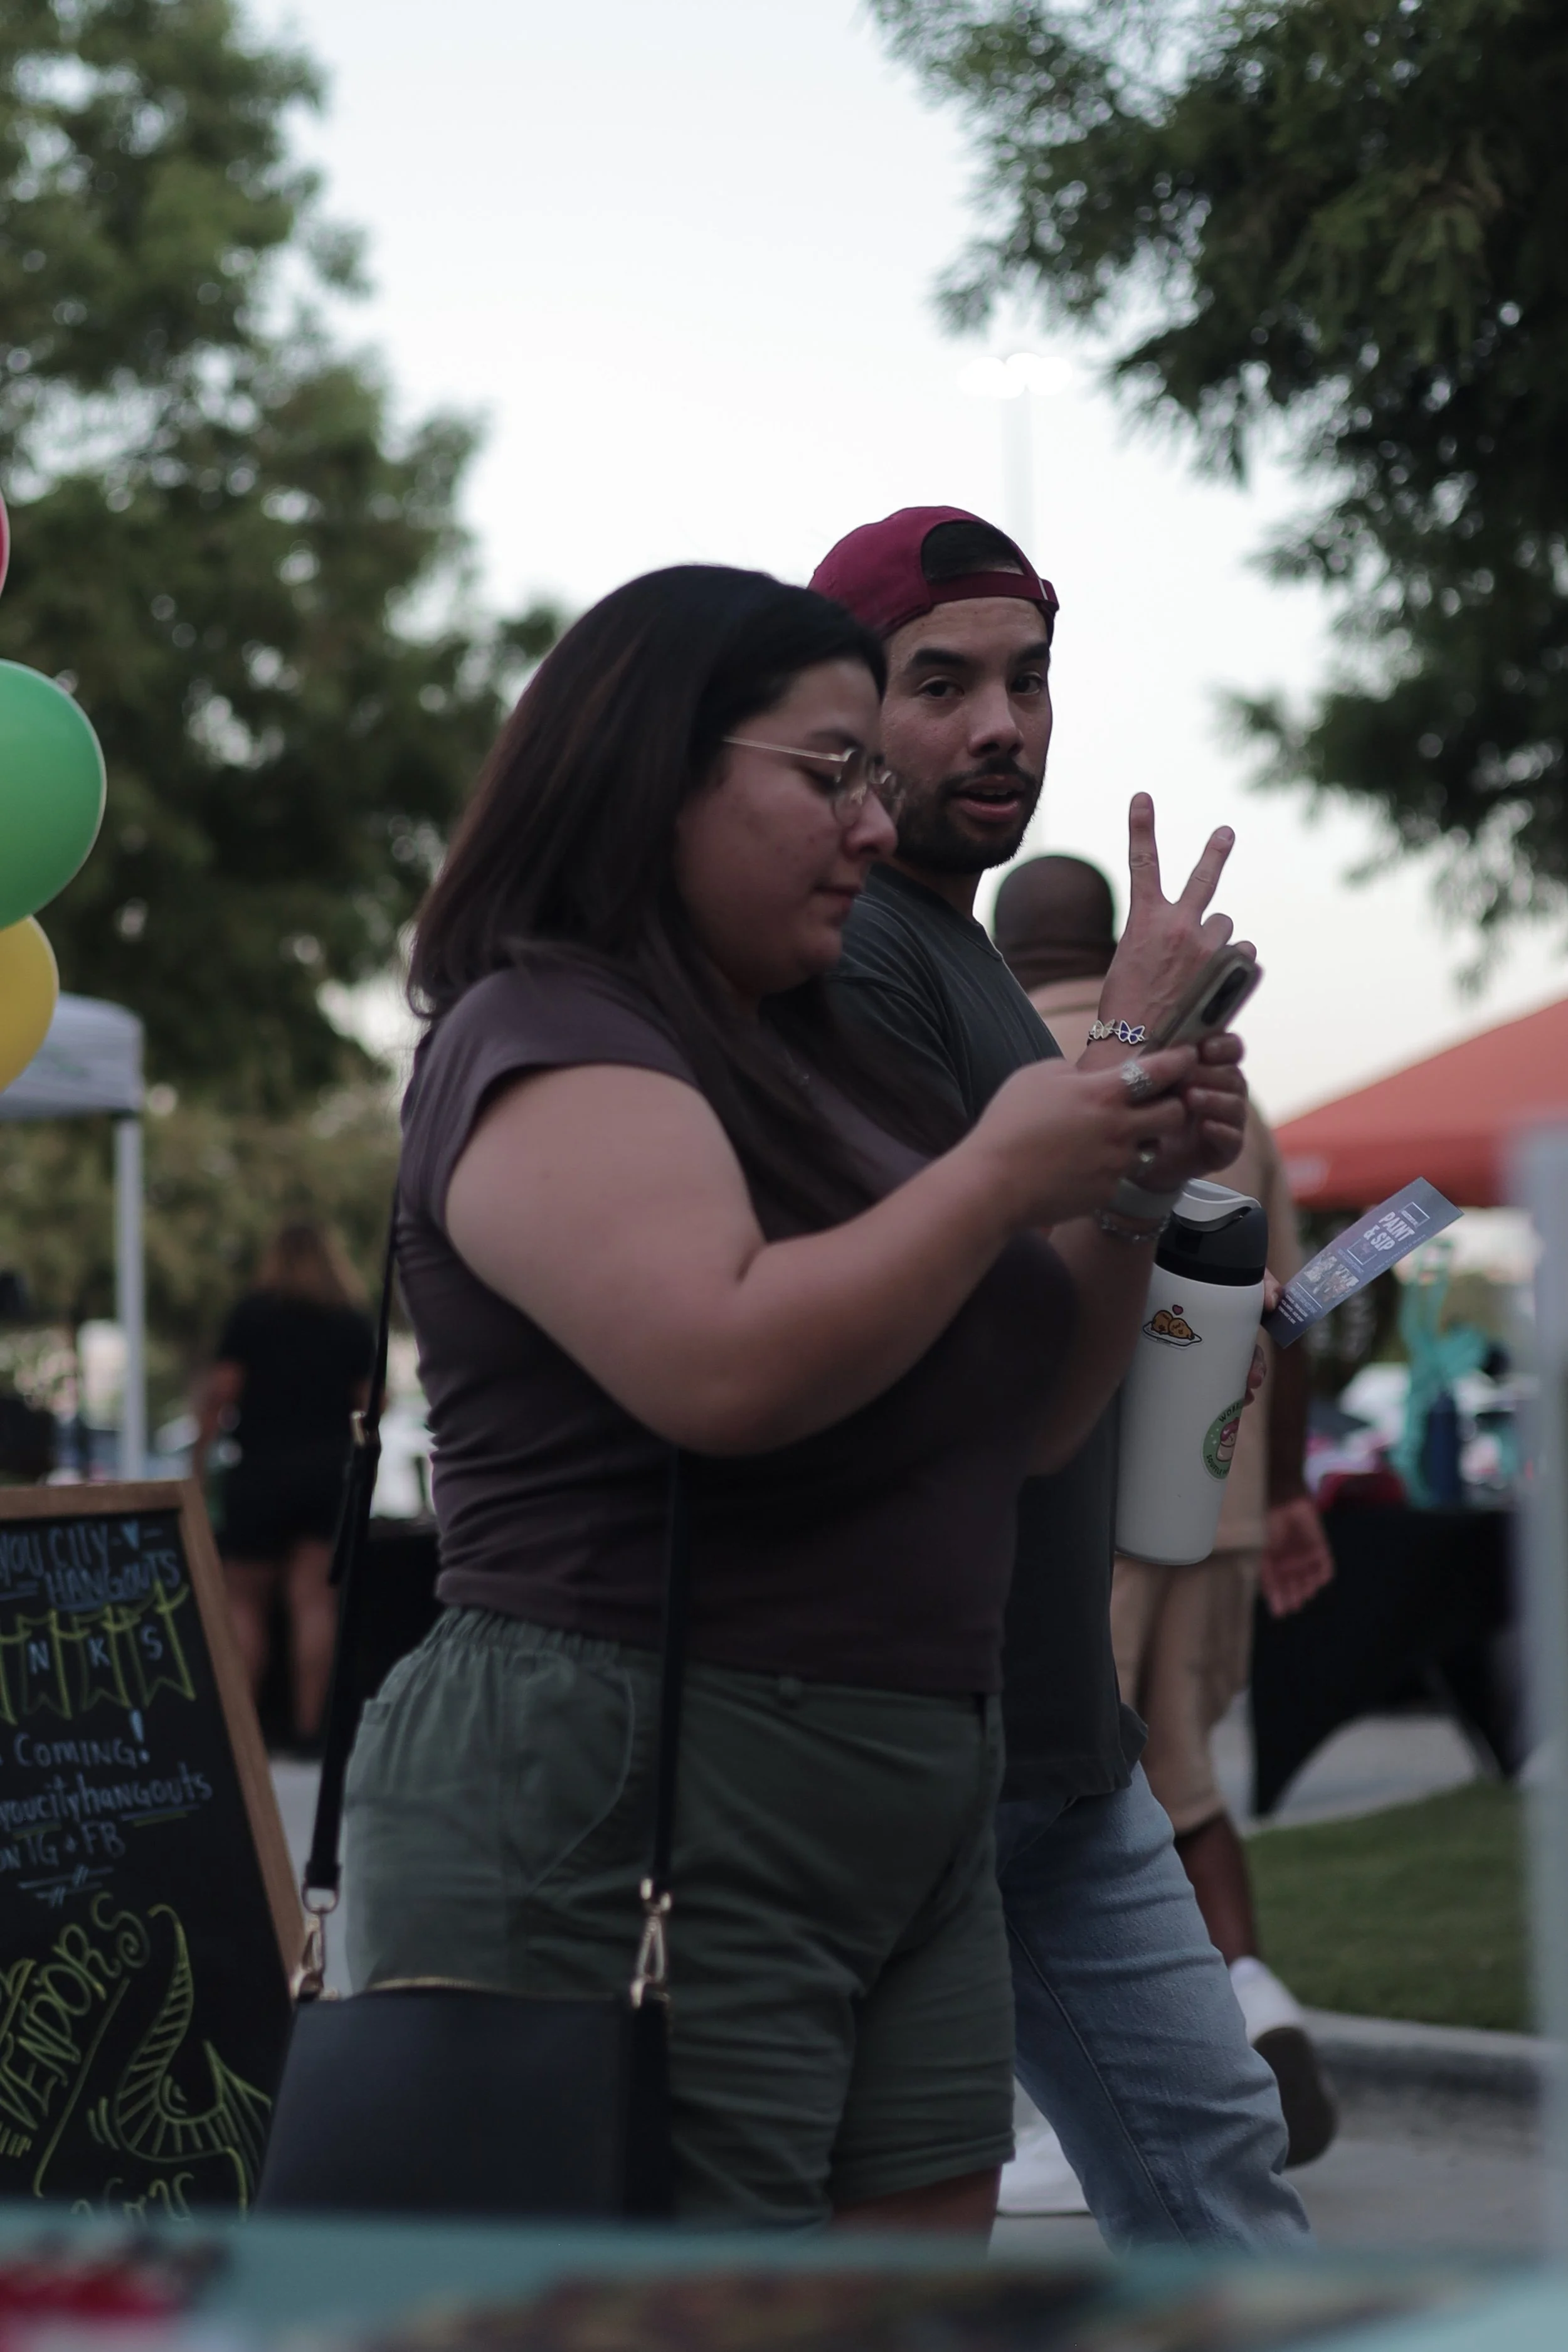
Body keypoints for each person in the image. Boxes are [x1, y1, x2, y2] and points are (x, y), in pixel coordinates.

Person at [339, 563, 1240, 2233]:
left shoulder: (832, 1053)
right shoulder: (545, 1027)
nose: (874, 827)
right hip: (637, 1782)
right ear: (653, 768)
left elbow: (1033, 1420)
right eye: (830, 774)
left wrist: (1117, 1188)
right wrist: (993, 1173)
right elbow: (721, 1360)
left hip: (906, 1798)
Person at [812, 507, 1311, 2248]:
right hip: (906, 1743)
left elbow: (1072, 1377)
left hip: (1051, 1735)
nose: (998, 726)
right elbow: (953, 1349)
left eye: (1023, 681)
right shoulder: (846, 955)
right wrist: (1121, 1066)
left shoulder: (949, 955)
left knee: (1220, 2173)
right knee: (893, 2242)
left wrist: (1152, 1140)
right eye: (937, 683)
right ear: (841, 711)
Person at [997, 852, 1340, 2166]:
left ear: (1004, 942)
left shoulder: (1007, 1057)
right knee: (1175, 1767)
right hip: (1221, 1476)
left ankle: (1060, 2112)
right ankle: (1248, 2002)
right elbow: (1291, 1304)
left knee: (1066, 1783)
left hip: (1084, 1487)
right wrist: (1291, 1488)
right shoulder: (1216, 1078)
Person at [196, 1222, 374, 1745]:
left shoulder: (252, 1315)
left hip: (260, 1472)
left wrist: (198, 1464)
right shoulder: (350, 1321)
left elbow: (221, 1394)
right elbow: (373, 1403)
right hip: (328, 1473)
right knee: (314, 1603)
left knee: (243, 1602)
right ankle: (307, 1730)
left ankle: (241, 1730)